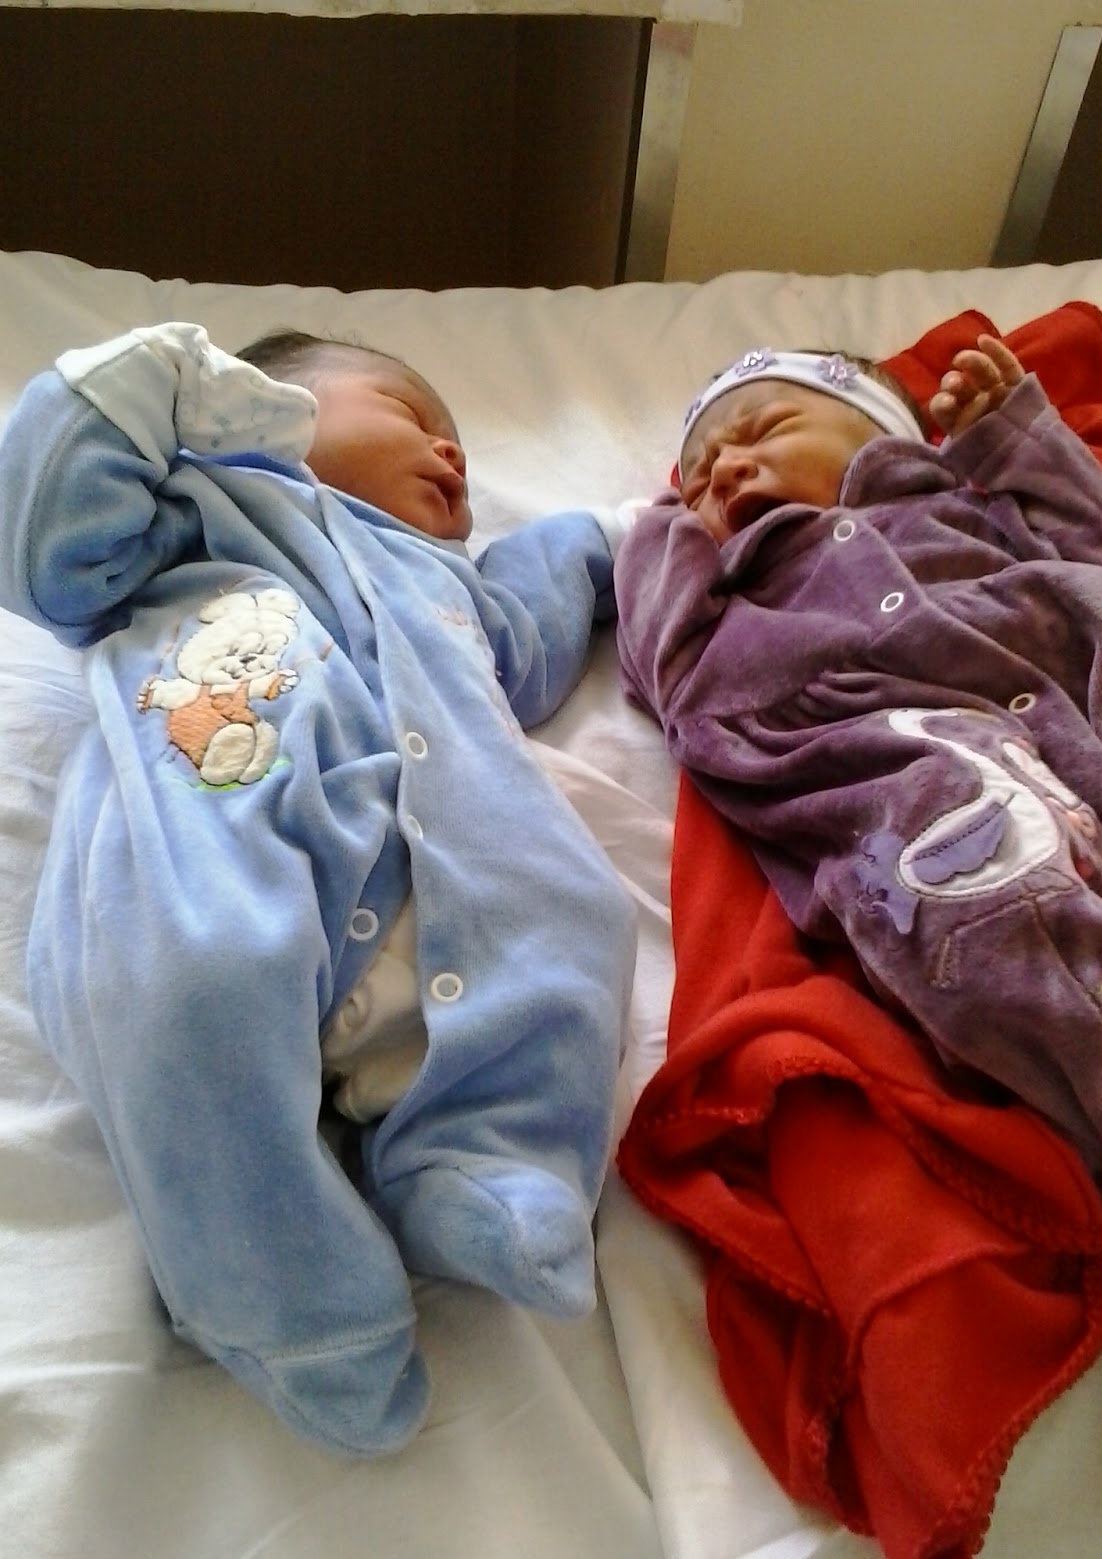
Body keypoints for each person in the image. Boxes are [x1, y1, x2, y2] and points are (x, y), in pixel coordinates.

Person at [0, 321, 637, 1453]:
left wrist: (616, 536)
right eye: (409, 413)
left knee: (574, 918)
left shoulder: (457, 592)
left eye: (453, 439)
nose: (450, 450)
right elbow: (42, 530)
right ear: (260, 407)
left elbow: (543, 615)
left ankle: (483, 1162)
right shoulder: (192, 514)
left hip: (449, 874)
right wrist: (165, 387)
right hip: (228, 801)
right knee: (190, 975)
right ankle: (284, 1299)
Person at [614, 333, 1102, 1252]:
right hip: (932, 753)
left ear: (886, 436)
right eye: (694, 482)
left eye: (762, 429)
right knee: (956, 881)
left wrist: (1016, 442)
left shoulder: (971, 501)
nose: (722, 468)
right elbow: (676, 678)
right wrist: (659, 535)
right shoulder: (743, 598)